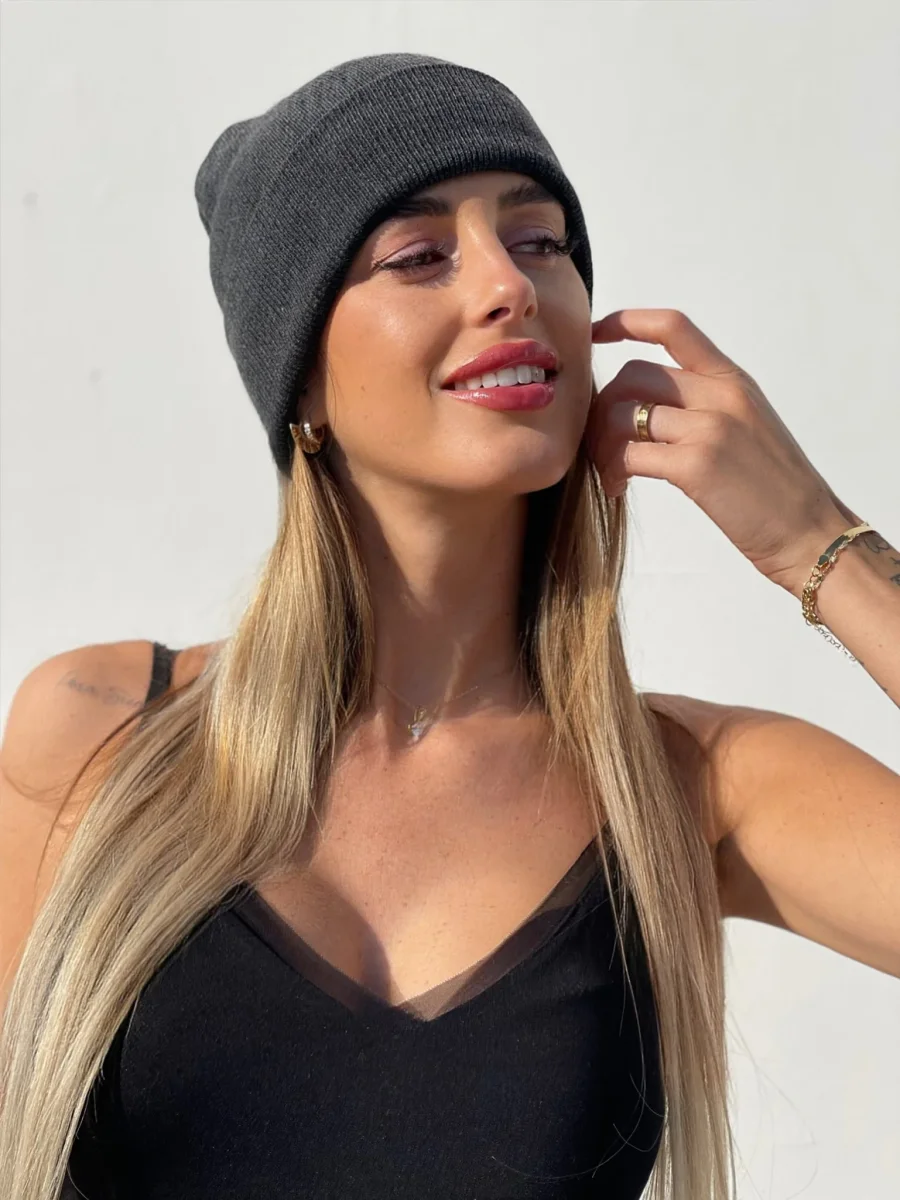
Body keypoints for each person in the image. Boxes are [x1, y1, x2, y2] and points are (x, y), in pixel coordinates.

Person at [1, 52, 898, 1200]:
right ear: (300, 383)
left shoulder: (685, 790)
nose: (509, 285)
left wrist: (822, 544)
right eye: (419, 255)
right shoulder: (102, 734)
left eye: (540, 241)